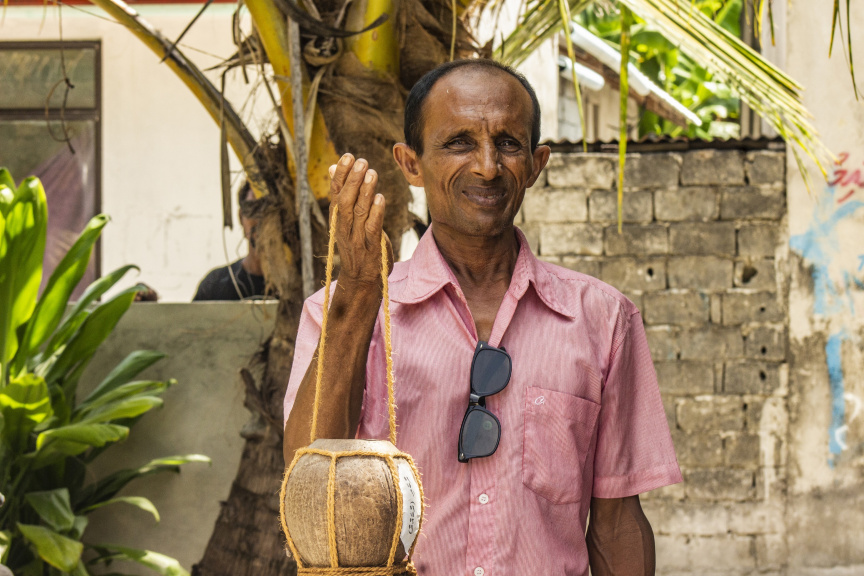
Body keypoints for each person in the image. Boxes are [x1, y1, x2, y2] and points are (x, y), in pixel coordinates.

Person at [283, 59, 682, 576]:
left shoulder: (603, 319)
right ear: (411, 163)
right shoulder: (341, 312)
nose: (488, 166)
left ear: (537, 163)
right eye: (459, 143)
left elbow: (617, 522)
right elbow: (307, 478)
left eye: (509, 144)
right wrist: (359, 297)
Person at [193, 183, 268, 301]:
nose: (261, 219)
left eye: (269, 211)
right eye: (252, 209)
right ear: (240, 217)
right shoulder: (215, 285)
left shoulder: (300, 285)